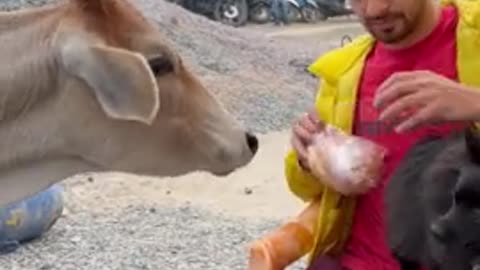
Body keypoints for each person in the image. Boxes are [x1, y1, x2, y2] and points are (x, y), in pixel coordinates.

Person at [285, 0, 480, 269]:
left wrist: (476, 102)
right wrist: (310, 157)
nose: (374, 9)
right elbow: (305, 189)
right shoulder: (343, 72)